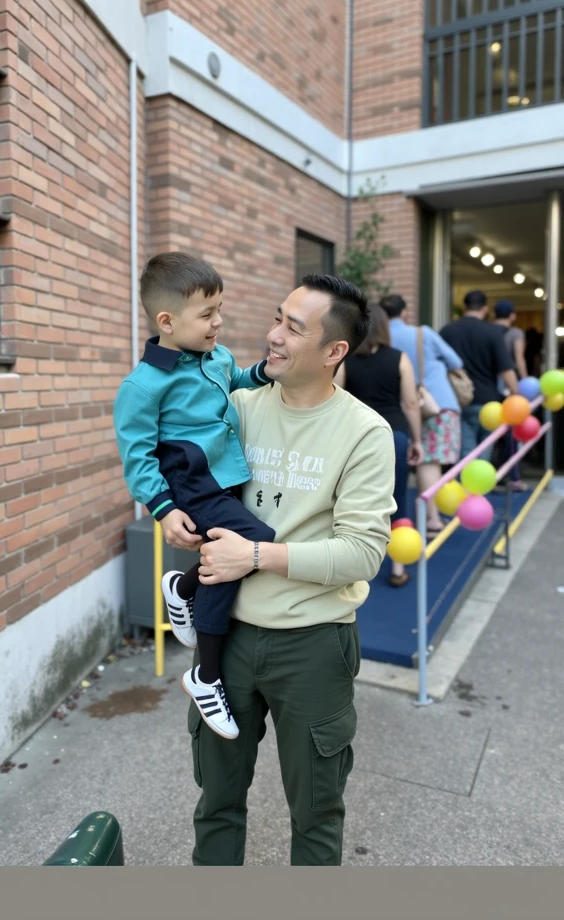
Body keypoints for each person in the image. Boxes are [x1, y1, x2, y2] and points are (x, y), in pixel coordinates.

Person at [163, 273, 396, 867]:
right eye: (276, 319)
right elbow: (172, 454)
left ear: (334, 351)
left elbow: (362, 552)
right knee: (216, 801)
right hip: (227, 637)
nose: (272, 335)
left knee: (316, 814)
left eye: (293, 328)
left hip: (315, 646)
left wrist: (257, 555)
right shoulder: (236, 406)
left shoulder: (366, 433)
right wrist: (165, 512)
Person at [114, 252, 276, 740]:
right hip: (189, 483)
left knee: (234, 553)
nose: (218, 321)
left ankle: (184, 589)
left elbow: (237, 380)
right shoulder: (143, 385)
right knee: (252, 543)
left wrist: (266, 372)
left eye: (219, 309)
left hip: (224, 479)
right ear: (167, 321)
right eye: (207, 314)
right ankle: (205, 676)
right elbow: (136, 456)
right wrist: (162, 509)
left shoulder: (218, 357)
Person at [338, 303, 422, 586]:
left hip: (356, 437)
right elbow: (410, 403)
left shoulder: (346, 359)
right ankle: (398, 567)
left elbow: (333, 396)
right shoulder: (399, 358)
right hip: (394, 437)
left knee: (353, 499)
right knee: (397, 500)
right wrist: (417, 439)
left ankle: (350, 564)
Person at [380, 293, 464, 536]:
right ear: (404, 312)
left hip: (401, 408)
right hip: (436, 402)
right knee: (431, 460)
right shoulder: (423, 333)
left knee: (410, 463)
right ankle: (432, 520)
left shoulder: (381, 339)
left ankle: (404, 522)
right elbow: (455, 362)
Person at [440, 290, 518, 459]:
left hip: (457, 399)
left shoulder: (447, 331)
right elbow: (506, 369)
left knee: (466, 452)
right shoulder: (492, 333)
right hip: (488, 402)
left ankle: (465, 484)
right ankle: (479, 485)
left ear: (464, 306)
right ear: (485, 308)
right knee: (485, 452)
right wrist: (516, 395)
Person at [493, 299, 528, 492]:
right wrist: (524, 383)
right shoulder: (515, 333)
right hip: (509, 388)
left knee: (492, 435)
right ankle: (512, 477)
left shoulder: (488, 330)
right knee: (510, 435)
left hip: (490, 389)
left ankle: (495, 473)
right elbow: (519, 358)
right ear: (512, 315)